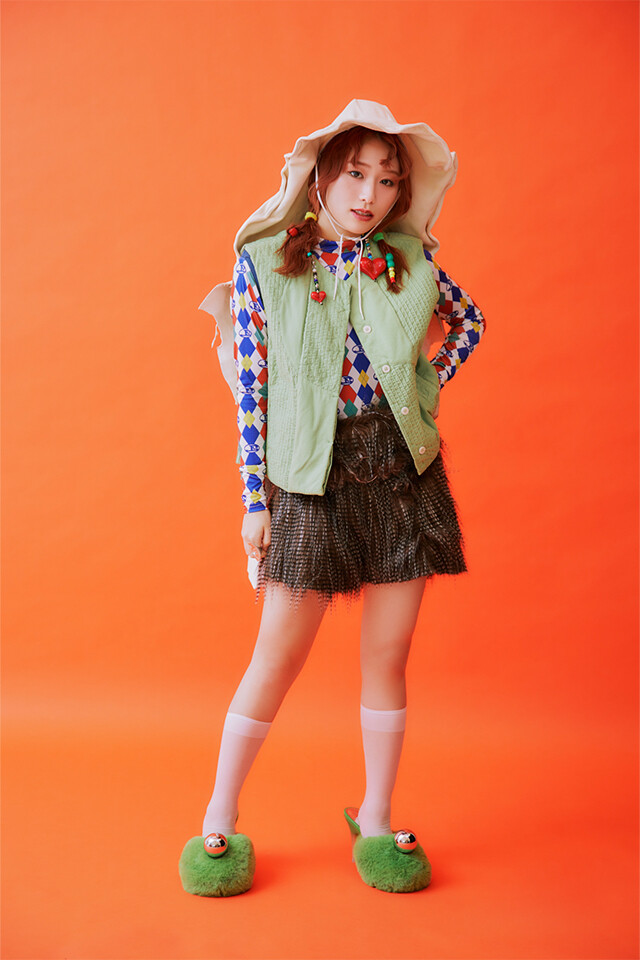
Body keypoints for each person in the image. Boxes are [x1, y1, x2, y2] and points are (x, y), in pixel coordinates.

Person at [179, 100, 486, 897]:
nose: (370, 195)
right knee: (276, 656)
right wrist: (255, 500)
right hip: (307, 475)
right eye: (355, 174)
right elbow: (253, 389)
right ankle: (219, 815)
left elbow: (469, 322)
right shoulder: (265, 262)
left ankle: (376, 817)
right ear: (319, 177)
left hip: (402, 471)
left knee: (388, 654)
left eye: (387, 180)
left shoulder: (408, 260)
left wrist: (422, 384)